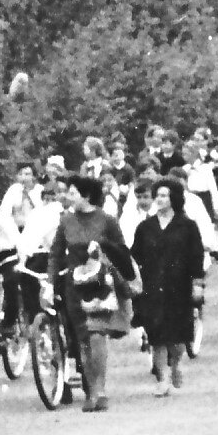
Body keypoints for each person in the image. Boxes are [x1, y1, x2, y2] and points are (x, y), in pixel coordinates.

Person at [52, 175, 137, 411]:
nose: (68, 197)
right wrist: (50, 283)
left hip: (100, 284)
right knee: (83, 341)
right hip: (74, 285)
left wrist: (102, 250)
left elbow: (122, 251)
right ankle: (91, 390)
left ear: (85, 195)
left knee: (97, 336)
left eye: (72, 193)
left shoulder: (107, 220)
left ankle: (100, 390)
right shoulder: (65, 221)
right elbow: (56, 254)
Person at [130, 178, 204, 396]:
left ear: (174, 198)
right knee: (157, 334)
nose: (159, 199)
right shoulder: (146, 227)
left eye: (164, 195)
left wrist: (197, 283)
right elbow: (135, 255)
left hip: (179, 286)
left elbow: (196, 256)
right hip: (152, 285)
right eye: (158, 195)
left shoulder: (187, 226)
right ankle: (162, 378)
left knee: (177, 335)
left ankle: (177, 364)